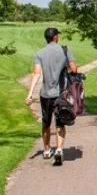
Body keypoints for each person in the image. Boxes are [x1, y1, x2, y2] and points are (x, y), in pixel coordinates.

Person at [25, 27, 77, 166]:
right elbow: (74, 69)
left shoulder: (39, 53)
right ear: (56, 37)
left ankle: (47, 150)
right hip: (61, 94)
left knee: (46, 123)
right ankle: (59, 149)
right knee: (60, 122)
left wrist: (30, 94)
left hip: (46, 94)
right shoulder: (65, 50)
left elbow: (36, 74)